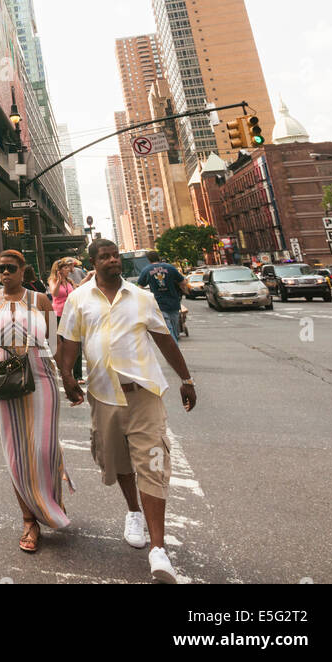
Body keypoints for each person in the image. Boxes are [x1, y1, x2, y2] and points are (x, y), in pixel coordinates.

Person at [55, 239, 197, 584]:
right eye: (105, 256)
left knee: (152, 462)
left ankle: (159, 550)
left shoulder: (141, 297)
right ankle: (133, 511)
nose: (112, 260)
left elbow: (164, 339)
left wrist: (186, 378)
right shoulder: (78, 299)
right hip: (103, 395)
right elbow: (69, 342)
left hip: (144, 393)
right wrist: (68, 377)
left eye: (115, 255)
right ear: (93, 262)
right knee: (117, 461)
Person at [0, 249, 73, 554]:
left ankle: (50, 502)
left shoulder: (40, 300)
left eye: (11, 268)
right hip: (3, 380)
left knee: (43, 447)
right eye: (1, 269)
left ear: (24, 270)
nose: (5, 273)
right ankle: (29, 520)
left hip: (40, 376)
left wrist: (69, 377)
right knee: (16, 452)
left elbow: (56, 343)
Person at [137, 250, 188, 342]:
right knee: (174, 328)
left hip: (159, 304)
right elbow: (183, 282)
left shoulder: (147, 270)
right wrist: (183, 290)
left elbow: (139, 287)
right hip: (174, 303)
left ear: (149, 259)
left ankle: (174, 349)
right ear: (159, 257)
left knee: (168, 329)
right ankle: (175, 348)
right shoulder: (170, 268)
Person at [47, 258, 83, 382]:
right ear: (59, 270)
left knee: (76, 343)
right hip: (58, 315)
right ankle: (64, 370)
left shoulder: (70, 281)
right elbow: (55, 294)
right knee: (61, 345)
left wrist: (88, 279)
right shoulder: (52, 280)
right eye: (66, 268)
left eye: (68, 267)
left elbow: (78, 290)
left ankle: (78, 375)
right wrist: (58, 281)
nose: (69, 270)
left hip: (71, 315)